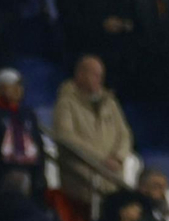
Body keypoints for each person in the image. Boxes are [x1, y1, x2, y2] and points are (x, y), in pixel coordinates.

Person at [52, 55, 135, 209]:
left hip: (112, 175)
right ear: (80, 74)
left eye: (100, 75)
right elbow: (65, 136)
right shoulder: (66, 103)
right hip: (81, 175)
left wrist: (118, 157)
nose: (99, 80)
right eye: (94, 75)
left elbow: (124, 134)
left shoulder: (110, 103)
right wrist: (101, 159)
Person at [0, 68, 46, 195]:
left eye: (19, 86)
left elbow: (38, 145)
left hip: (29, 175)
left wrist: (40, 176)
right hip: (1, 176)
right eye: (12, 86)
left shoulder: (27, 114)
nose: (18, 89)